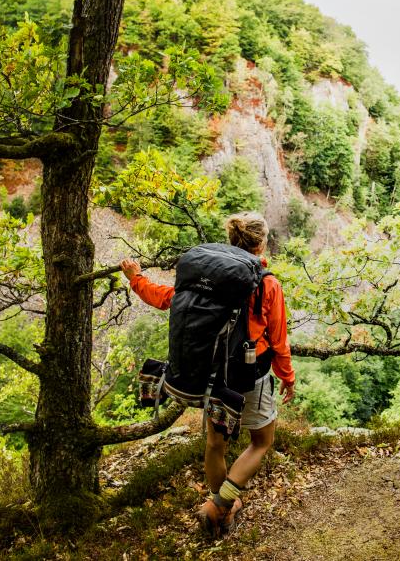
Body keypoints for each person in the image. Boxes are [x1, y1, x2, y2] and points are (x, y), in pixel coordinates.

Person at [120, 211, 295, 536]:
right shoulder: (266, 284)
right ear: (262, 245)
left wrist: (136, 278)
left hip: (214, 377)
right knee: (261, 441)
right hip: (249, 377)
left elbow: (165, 298)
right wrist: (287, 376)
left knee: (215, 444)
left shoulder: (208, 280)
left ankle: (222, 511)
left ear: (232, 241)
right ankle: (221, 504)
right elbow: (279, 340)